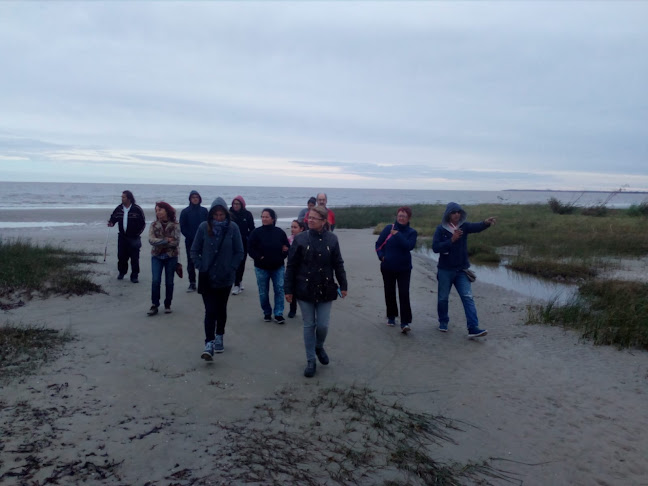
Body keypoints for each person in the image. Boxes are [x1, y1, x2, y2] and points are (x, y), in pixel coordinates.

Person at [285, 205, 348, 378]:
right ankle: (310, 360)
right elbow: (291, 266)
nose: (310, 220)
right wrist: (288, 289)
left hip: (326, 288)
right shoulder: (300, 239)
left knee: (322, 325)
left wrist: (343, 285)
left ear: (323, 221)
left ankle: (319, 346)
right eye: (309, 217)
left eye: (314, 218)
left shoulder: (332, 239)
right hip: (304, 289)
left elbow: (338, 264)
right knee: (308, 325)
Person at [432, 202, 496, 337]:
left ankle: (473, 328)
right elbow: (435, 247)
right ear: (448, 214)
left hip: (461, 270)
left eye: (458, 212)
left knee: (468, 298)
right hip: (445, 270)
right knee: (443, 298)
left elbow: (476, 227)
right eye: (454, 212)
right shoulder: (441, 229)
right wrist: (452, 240)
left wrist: (486, 222)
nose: (457, 214)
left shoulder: (464, 227)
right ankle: (443, 322)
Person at [191, 197, 244, 359]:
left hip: (225, 278)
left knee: (221, 309)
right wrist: (201, 266)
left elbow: (239, 252)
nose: (219, 217)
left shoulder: (233, 228)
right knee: (210, 310)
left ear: (226, 214)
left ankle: (219, 335)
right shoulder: (203, 227)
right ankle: (209, 343)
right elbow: (194, 250)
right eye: (216, 214)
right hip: (207, 277)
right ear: (211, 214)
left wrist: (231, 268)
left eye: (222, 214)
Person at [375, 206, 418, 334]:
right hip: (387, 267)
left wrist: (398, 234)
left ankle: (405, 322)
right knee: (389, 291)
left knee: (404, 293)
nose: (401, 218)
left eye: (404, 216)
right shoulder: (389, 228)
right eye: (399, 215)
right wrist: (381, 256)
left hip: (404, 269)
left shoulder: (412, 232)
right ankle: (391, 316)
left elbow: (408, 246)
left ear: (408, 218)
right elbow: (378, 244)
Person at [247, 208, 290, 324]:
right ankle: (267, 312)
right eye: (262, 217)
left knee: (279, 290)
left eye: (267, 216)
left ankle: (278, 314)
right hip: (261, 268)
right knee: (263, 291)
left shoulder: (279, 232)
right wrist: (259, 257)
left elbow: (286, 246)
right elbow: (250, 248)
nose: (264, 219)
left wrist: (282, 256)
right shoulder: (256, 232)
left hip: (278, 267)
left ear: (273, 218)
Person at [147, 202, 180, 316]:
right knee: (156, 281)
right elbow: (151, 240)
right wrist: (166, 241)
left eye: (160, 209)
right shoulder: (154, 225)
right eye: (156, 210)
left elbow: (176, 241)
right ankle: (154, 305)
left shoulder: (175, 225)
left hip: (171, 256)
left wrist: (160, 242)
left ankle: (167, 304)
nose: (158, 212)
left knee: (169, 282)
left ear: (166, 210)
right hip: (156, 256)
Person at [107, 190, 146, 283]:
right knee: (121, 256)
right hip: (122, 237)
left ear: (129, 198)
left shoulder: (137, 209)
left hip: (134, 237)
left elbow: (142, 223)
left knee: (134, 257)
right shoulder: (119, 208)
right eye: (122, 197)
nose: (122, 198)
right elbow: (113, 217)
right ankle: (122, 272)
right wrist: (111, 222)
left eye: (123, 197)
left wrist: (137, 234)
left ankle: (134, 276)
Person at [179, 190, 208, 292]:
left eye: (197, 197)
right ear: (190, 199)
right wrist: (192, 237)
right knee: (191, 261)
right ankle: (192, 283)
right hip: (190, 241)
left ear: (199, 199)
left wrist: (204, 237)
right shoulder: (185, 212)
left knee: (204, 261)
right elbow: (182, 227)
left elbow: (209, 225)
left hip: (204, 241)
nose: (195, 199)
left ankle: (203, 282)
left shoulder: (204, 211)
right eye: (193, 197)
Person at [229, 195, 255, 295]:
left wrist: (249, 238)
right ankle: (236, 282)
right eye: (234, 204)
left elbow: (252, 228)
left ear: (242, 204)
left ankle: (238, 283)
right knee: (233, 263)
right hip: (231, 243)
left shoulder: (247, 214)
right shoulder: (229, 214)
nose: (235, 206)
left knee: (241, 263)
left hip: (243, 242)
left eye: (237, 204)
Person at [287, 219, 305, 318]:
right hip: (292, 268)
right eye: (292, 227)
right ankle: (292, 309)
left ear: (301, 229)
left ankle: (306, 311)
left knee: (303, 290)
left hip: (304, 268)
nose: (292, 229)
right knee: (292, 289)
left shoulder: (306, 239)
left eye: (295, 227)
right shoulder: (289, 239)